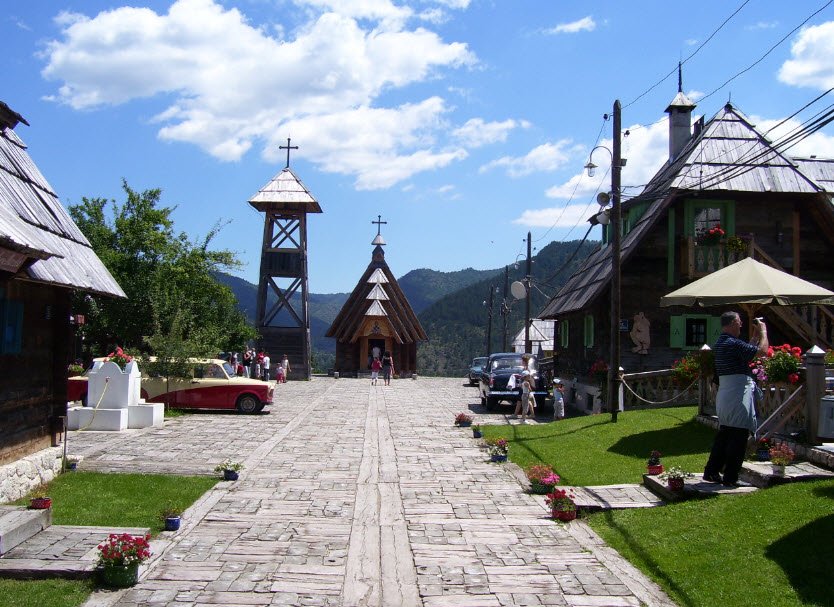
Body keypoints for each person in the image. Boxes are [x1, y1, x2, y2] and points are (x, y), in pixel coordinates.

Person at [703, 311, 768, 486]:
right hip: (737, 395)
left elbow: (748, 351)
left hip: (726, 394)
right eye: (739, 322)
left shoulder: (724, 343)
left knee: (725, 435)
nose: (741, 325)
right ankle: (731, 477)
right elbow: (762, 352)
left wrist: (754, 336)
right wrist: (763, 332)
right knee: (738, 437)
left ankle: (711, 471)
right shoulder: (731, 343)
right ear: (732, 323)